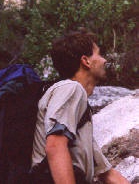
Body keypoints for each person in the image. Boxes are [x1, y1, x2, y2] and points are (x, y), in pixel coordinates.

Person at [31, 29, 129, 184]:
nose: (104, 60)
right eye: (99, 54)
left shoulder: (79, 116)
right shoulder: (71, 89)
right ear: (86, 61)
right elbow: (55, 146)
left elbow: (107, 174)